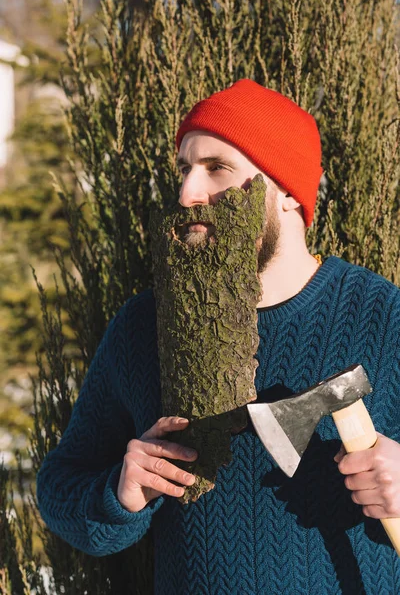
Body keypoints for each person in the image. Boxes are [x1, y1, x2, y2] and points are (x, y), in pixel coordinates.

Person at [37, 79, 400, 594]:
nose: (187, 193)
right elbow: (58, 487)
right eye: (185, 169)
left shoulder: (384, 317)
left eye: (218, 168)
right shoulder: (145, 327)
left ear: (290, 194)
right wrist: (119, 493)